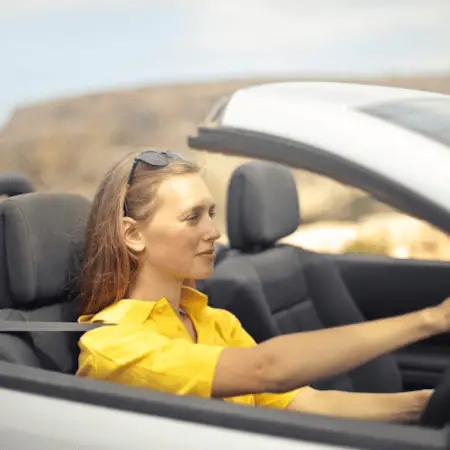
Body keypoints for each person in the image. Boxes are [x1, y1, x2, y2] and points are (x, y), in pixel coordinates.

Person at [76, 149, 450, 423]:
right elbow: (267, 368)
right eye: (191, 217)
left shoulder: (215, 322)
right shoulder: (112, 346)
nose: (213, 232)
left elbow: (304, 404)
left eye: (210, 213)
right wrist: (431, 319)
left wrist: (427, 404)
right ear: (132, 234)